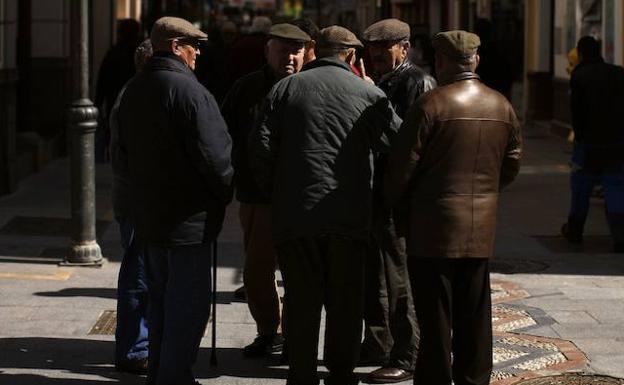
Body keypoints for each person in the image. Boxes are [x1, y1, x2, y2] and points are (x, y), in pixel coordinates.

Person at [249, 25, 402, 385]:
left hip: (296, 215)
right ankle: (340, 373)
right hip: (349, 217)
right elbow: (397, 142)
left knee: (302, 301)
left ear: (317, 50)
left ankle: (301, 374)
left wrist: (280, 192)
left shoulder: (284, 88)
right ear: (351, 55)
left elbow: (260, 150)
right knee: (345, 303)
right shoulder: (368, 92)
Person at [384, 30, 522, 385]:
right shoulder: (501, 105)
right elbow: (511, 164)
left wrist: (395, 205)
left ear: (442, 61)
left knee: (435, 320)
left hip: (432, 231)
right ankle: (474, 380)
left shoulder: (431, 105)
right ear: (475, 60)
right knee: (475, 317)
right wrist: (485, 194)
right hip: (479, 231)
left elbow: (402, 169)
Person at [117, 17, 233, 385]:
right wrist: (223, 193)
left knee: (161, 299)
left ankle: (159, 372)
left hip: (150, 215)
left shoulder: (134, 88)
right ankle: (174, 375)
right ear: (174, 45)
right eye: (192, 45)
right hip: (188, 221)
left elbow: (119, 155)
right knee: (188, 303)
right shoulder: (190, 92)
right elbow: (217, 158)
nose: (198, 52)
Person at [221, 23, 310, 358]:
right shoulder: (248, 88)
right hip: (258, 196)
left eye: (297, 50)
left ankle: (293, 334)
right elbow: (226, 134)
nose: (290, 57)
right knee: (258, 269)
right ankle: (268, 331)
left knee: (299, 271)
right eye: (284, 49)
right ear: (267, 50)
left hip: (302, 197)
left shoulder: (311, 87)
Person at [359, 18, 436, 383]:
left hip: (399, 195)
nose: (375, 54)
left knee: (398, 275)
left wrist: (372, 95)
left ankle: (407, 353)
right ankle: (377, 341)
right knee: (372, 273)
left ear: (404, 49)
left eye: (383, 48)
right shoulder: (382, 80)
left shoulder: (415, 81)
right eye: (371, 48)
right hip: (374, 190)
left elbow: (408, 143)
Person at [109, 38, 153, 375]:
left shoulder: (137, 92)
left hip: (138, 198)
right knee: (138, 276)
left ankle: (141, 344)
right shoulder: (138, 97)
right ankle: (134, 349)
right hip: (140, 200)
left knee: (142, 273)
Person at [561, 36, 624, 252]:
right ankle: (619, 235)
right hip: (617, 142)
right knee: (615, 186)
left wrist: (579, 137)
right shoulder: (618, 73)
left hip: (589, 142)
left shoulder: (580, 75)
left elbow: (577, 112)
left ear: (580, 52)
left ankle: (575, 230)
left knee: (581, 188)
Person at [95, 18, 140, 162]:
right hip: (135, 104)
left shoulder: (113, 53)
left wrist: (98, 104)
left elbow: (102, 82)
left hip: (115, 104)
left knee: (116, 139)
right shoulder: (140, 55)